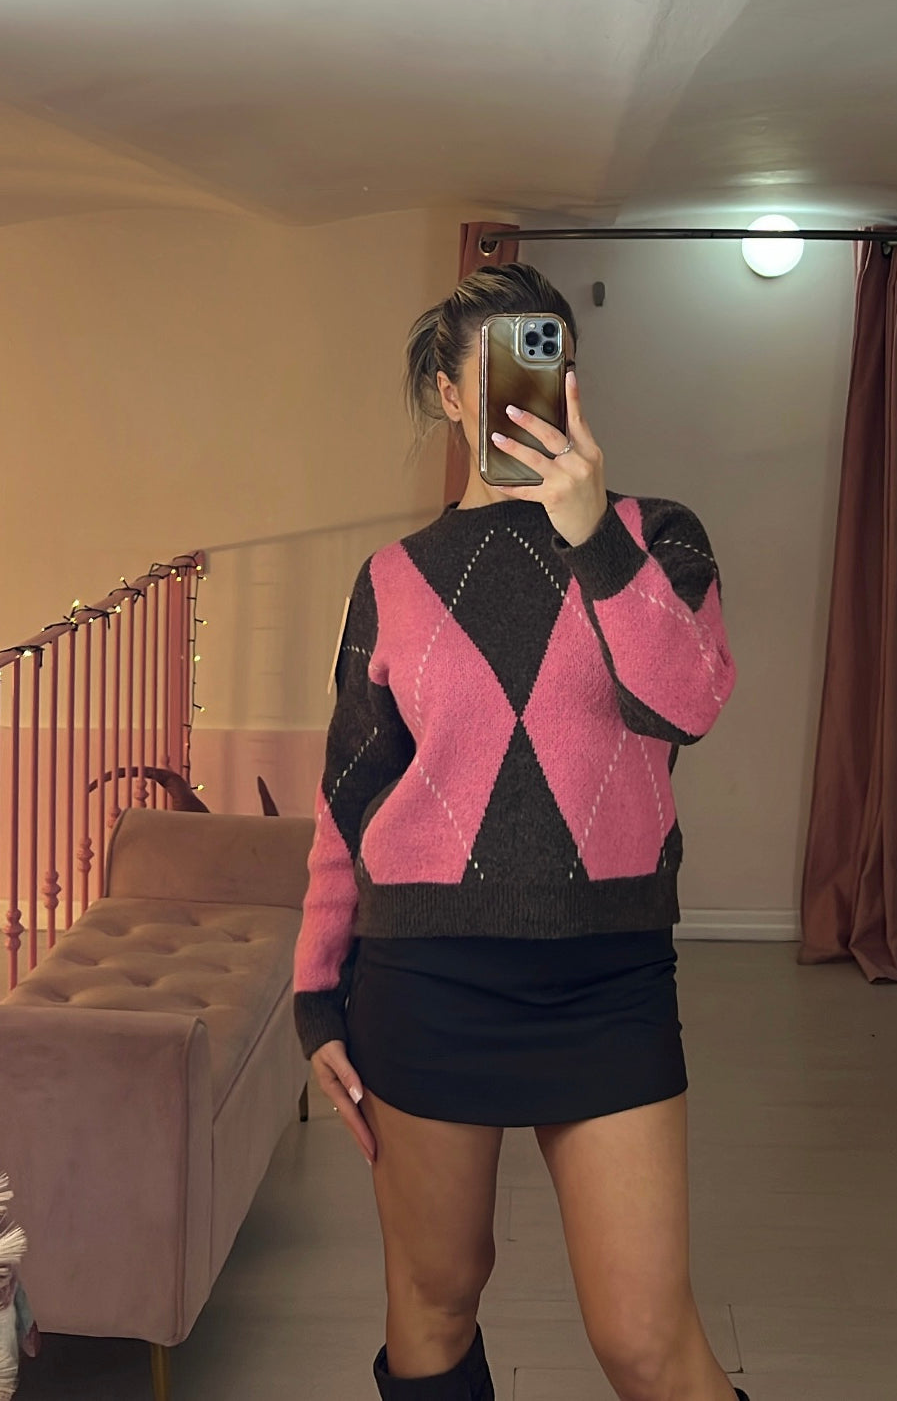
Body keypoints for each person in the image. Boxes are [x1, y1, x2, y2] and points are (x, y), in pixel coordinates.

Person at [293, 263, 743, 1401]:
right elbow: (350, 795)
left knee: (646, 1341)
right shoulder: (393, 578)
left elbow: (689, 701)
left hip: (609, 978)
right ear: (450, 394)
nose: (525, 394)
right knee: (433, 1306)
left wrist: (593, 539)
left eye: (550, 363)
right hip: (424, 979)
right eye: (495, 371)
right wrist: (315, 992)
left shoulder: (656, 536)